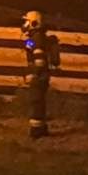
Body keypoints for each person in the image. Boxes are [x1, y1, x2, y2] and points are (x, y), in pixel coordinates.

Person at [21, 11, 62, 140]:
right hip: (41, 75)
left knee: (36, 101)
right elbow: (29, 51)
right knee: (39, 101)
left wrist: (32, 74)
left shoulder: (36, 38)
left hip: (39, 75)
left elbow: (38, 60)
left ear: (34, 22)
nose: (25, 24)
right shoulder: (34, 38)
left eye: (27, 21)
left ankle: (36, 130)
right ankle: (42, 127)